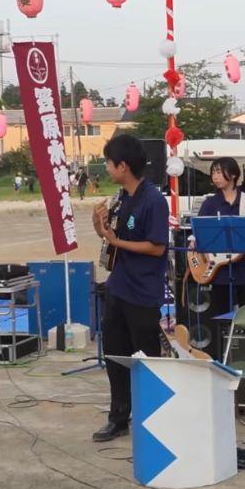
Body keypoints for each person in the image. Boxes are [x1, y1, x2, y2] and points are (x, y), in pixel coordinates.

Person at [91, 134, 169, 443]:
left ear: (123, 165)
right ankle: (118, 417)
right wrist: (100, 226)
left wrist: (116, 241)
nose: (107, 169)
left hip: (143, 292)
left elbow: (156, 247)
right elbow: (110, 241)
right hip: (119, 286)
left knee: (146, 357)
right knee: (115, 355)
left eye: (109, 164)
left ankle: (155, 417)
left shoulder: (153, 201)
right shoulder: (120, 198)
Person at [197, 157, 245, 312]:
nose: (215, 177)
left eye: (220, 172)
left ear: (234, 174)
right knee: (220, 316)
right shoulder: (210, 204)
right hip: (219, 271)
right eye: (213, 172)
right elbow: (200, 233)